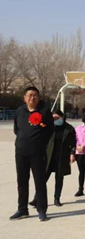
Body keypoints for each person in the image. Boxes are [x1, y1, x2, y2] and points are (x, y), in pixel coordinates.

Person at [11, 87, 54, 221]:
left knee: (39, 181)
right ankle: (22, 209)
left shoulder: (44, 111)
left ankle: (42, 209)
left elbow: (50, 130)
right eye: (29, 95)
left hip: (38, 152)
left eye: (35, 95)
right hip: (21, 151)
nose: (32, 98)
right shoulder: (19, 111)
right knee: (22, 181)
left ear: (39, 98)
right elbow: (16, 129)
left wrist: (40, 142)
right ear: (24, 97)